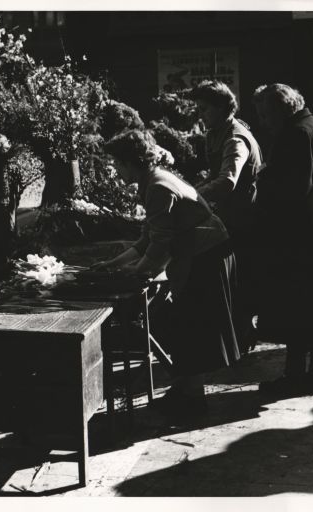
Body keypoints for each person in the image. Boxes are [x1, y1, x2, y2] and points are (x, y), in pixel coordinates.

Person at [95, 129, 241, 417]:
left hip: (207, 255)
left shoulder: (159, 186)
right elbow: (147, 239)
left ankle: (193, 399)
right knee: (184, 322)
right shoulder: (151, 182)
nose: (115, 169)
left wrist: (136, 273)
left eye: (117, 163)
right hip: (195, 254)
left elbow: (159, 245)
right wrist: (112, 265)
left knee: (190, 323)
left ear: (131, 162)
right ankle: (186, 388)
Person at [252, 84, 313, 398]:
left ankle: (296, 375)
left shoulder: (295, 134)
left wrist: (262, 178)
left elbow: (293, 186)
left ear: (282, 111)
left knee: (296, 303)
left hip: (300, 228)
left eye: (267, 115)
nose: (264, 123)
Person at [189, 80, 263, 349]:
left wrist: (192, 196)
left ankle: (242, 339)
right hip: (229, 218)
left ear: (222, 108)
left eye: (205, 109)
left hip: (242, 221)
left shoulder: (235, 138)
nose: (200, 115)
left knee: (239, 282)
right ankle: (237, 338)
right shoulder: (216, 132)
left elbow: (227, 181)